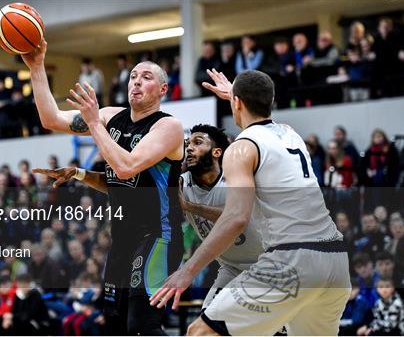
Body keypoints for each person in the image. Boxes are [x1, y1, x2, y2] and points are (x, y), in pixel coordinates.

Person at [150, 69, 350, 335]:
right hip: (335, 261)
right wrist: (237, 92)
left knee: (200, 332)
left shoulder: (241, 148)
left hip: (292, 258)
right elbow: (263, 113)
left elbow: (236, 217)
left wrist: (188, 270)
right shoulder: (292, 135)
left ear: (237, 103)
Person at [22, 40, 184, 335]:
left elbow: (127, 166)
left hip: (158, 237)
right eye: (133, 76)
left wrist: (95, 123)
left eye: (146, 77)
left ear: (162, 89)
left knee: (143, 324)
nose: (136, 81)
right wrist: (36, 67)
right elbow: (51, 119)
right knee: (113, 325)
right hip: (121, 239)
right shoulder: (111, 116)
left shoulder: (168, 127)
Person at [180, 124, 263, 309]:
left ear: (217, 152)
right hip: (231, 268)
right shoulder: (182, 183)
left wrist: (190, 207)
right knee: (205, 327)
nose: (189, 148)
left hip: (268, 263)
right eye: (187, 144)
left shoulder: (237, 176)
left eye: (197, 142)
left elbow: (236, 214)